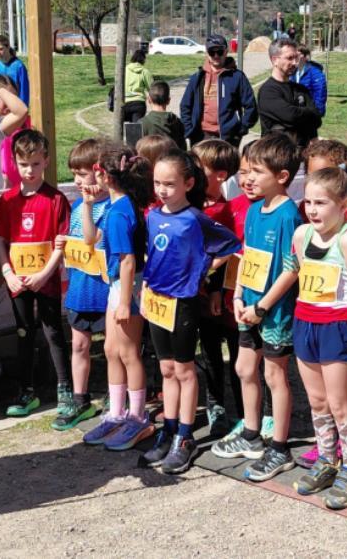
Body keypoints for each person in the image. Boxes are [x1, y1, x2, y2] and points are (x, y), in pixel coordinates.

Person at [139, 150, 240, 474]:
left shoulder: (195, 218)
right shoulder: (153, 215)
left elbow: (230, 245)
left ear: (189, 183)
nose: (162, 190)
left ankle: (185, 436)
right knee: (166, 369)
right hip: (155, 299)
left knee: (183, 370)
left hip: (182, 302)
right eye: (157, 183)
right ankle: (168, 429)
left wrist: (200, 272)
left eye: (169, 183)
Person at [216, 133, 302, 484]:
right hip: (246, 306)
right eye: (245, 171)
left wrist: (263, 307)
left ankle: (279, 447)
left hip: (273, 313)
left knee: (274, 375)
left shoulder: (288, 216)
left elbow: (291, 268)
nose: (246, 179)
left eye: (256, 172)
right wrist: (237, 296)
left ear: (282, 176)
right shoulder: (252, 210)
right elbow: (246, 257)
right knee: (243, 368)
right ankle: (251, 433)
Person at [290, 166, 347, 509]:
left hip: (339, 326)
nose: (312, 210)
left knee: (340, 404)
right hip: (305, 322)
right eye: (308, 202)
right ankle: (327, 459)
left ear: (344, 204)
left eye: (321, 203)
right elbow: (301, 273)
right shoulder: (301, 235)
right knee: (318, 402)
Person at [81, 143, 155, 451]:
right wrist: (86, 203)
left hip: (129, 287)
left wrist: (125, 301)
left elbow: (127, 260)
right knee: (112, 350)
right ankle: (116, 412)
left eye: (96, 169)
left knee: (128, 353)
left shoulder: (120, 212)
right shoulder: (116, 207)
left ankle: (137, 418)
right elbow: (91, 239)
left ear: (107, 176)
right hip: (118, 287)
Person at [0, 129, 71, 416]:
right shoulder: (8, 200)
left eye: (35, 164)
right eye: (24, 164)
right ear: (15, 163)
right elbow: (1, 241)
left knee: (53, 332)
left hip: (45, 279)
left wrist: (45, 274)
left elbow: (61, 244)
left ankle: (65, 390)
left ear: (46, 162)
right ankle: (25, 391)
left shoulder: (56, 200)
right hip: (17, 280)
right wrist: (7, 272)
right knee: (24, 333)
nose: (29, 170)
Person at [53, 138, 111, 430]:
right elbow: (78, 245)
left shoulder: (112, 206)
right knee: (78, 345)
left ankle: (117, 397)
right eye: (73, 174)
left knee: (113, 349)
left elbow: (94, 240)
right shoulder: (76, 205)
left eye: (82, 174)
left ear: (101, 173)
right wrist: (62, 244)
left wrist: (89, 208)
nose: (76, 181)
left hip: (104, 291)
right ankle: (80, 398)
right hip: (79, 289)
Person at [190, 139, 242, 438]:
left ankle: (245, 412)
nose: (193, 173)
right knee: (209, 351)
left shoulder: (227, 210)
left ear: (220, 175)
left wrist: (216, 289)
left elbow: (232, 254)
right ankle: (216, 406)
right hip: (197, 298)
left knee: (238, 354)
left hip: (224, 296)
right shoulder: (191, 206)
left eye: (199, 168)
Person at [178, 34, 257, 147]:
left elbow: (251, 106)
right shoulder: (197, 78)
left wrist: (241, 129)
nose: (216, 55)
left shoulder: (237, 77)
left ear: (226, 51)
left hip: (228, 138)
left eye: (219, 52)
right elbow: (185, 106)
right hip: (201, 137)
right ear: (207, 53)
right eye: (212, 52)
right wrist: (190, 130)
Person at [258, 38, 321, 149]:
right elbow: (291, 116)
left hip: (302, 154)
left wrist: (304, 116)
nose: (295, 63)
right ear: (274, 60)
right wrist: (308, 114)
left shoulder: (301, 89)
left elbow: (317, 119)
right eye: (289, 58)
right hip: (276, 156)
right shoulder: (268, 91)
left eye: (296, 58)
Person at [139, 81, 185, 151]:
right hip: (172, 160)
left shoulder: (141, 123)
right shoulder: (178, 122)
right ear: (168, 100)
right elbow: (182, 148)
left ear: (149, 100)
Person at [0, 34, 30, 105]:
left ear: (8, 47)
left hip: (14, 105)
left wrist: (22, 109)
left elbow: (24, 91)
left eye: (1, 49)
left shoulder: (19, 66)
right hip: (0, 106)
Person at [292, 45, 327, 117]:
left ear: (304, 56)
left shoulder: (315, 73)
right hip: (296, 111)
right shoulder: (293, 72)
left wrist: (317, 113)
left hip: (310, 112)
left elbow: (320, 94)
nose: (294, 58)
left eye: (297, 55)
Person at [121, 48, 154, 125]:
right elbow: (152, 89)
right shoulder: (145, 72)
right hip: (138, 104)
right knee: (136, 129)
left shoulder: (124, 69)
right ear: (143, 60)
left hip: (124, 103)